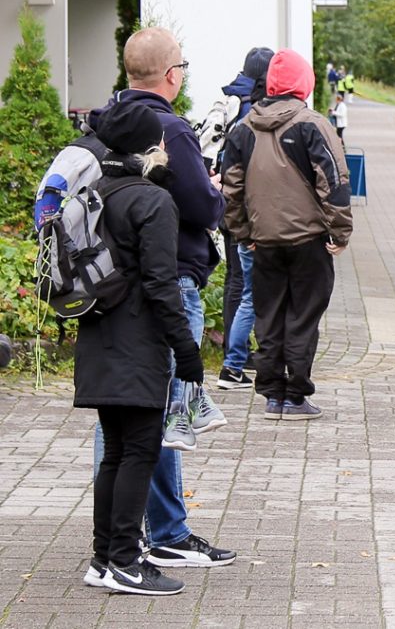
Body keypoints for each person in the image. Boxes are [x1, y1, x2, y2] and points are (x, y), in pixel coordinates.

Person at [87, 27, 236, 569]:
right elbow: (200, 206)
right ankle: (159, 534)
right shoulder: (167, 128)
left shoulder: (103, 125)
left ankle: (118, 537)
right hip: (167, 282)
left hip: (112, 288)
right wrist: (215, 193)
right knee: (157, 415)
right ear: (173, 74)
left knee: (123, 417)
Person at [76, 101, 201, 595]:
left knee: (116, 453)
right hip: (137, 342)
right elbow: (161, 286)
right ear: (152, 148)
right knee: (140, 451)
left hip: (98, 336)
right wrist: (186, 350)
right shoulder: (152, 201)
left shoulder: (95, 192)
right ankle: (126, 562)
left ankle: (103, 557)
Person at [222, 49, 353, 421]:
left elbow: (231, 187)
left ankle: (273, 396)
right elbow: (334, 181)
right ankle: (295, 396)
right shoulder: (312, 124)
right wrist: (340, 231)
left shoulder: (243, 129)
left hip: (264, 241)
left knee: (269, 315)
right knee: (302, 315)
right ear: (304, 83)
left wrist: (242, 231)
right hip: (309, 240)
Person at [217, 47, 274, 390]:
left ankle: (234, 352)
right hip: (243, 209)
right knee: (244, 284)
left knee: (235, 280)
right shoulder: (253, 109)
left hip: (225, 203)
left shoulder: (232, 100)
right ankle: (237, 355)